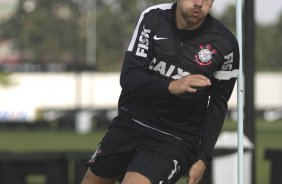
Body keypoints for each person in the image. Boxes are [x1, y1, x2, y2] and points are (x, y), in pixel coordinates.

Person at [81, 0, 239, 183]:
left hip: (174, 139)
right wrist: (171, 86)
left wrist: (204, 157)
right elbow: (129, 76)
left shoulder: (226, 44)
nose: (198, 3)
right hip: (130, 123)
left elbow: (218, 105)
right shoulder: (153, 17)